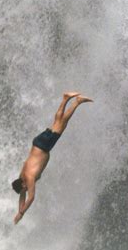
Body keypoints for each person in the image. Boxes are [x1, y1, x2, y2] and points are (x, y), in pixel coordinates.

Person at [12, 92, 93, 224]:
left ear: (23, 184)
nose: (25, 191)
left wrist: (21, 213)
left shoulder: (30, 178)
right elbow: (22, 195)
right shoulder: (22, 176)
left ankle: (71, 100)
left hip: (44, 146)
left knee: (62, 124)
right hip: (38, 142)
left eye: (24, 188)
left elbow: (31, 198)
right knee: (59, 123)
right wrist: (19, 210)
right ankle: (71, 100)